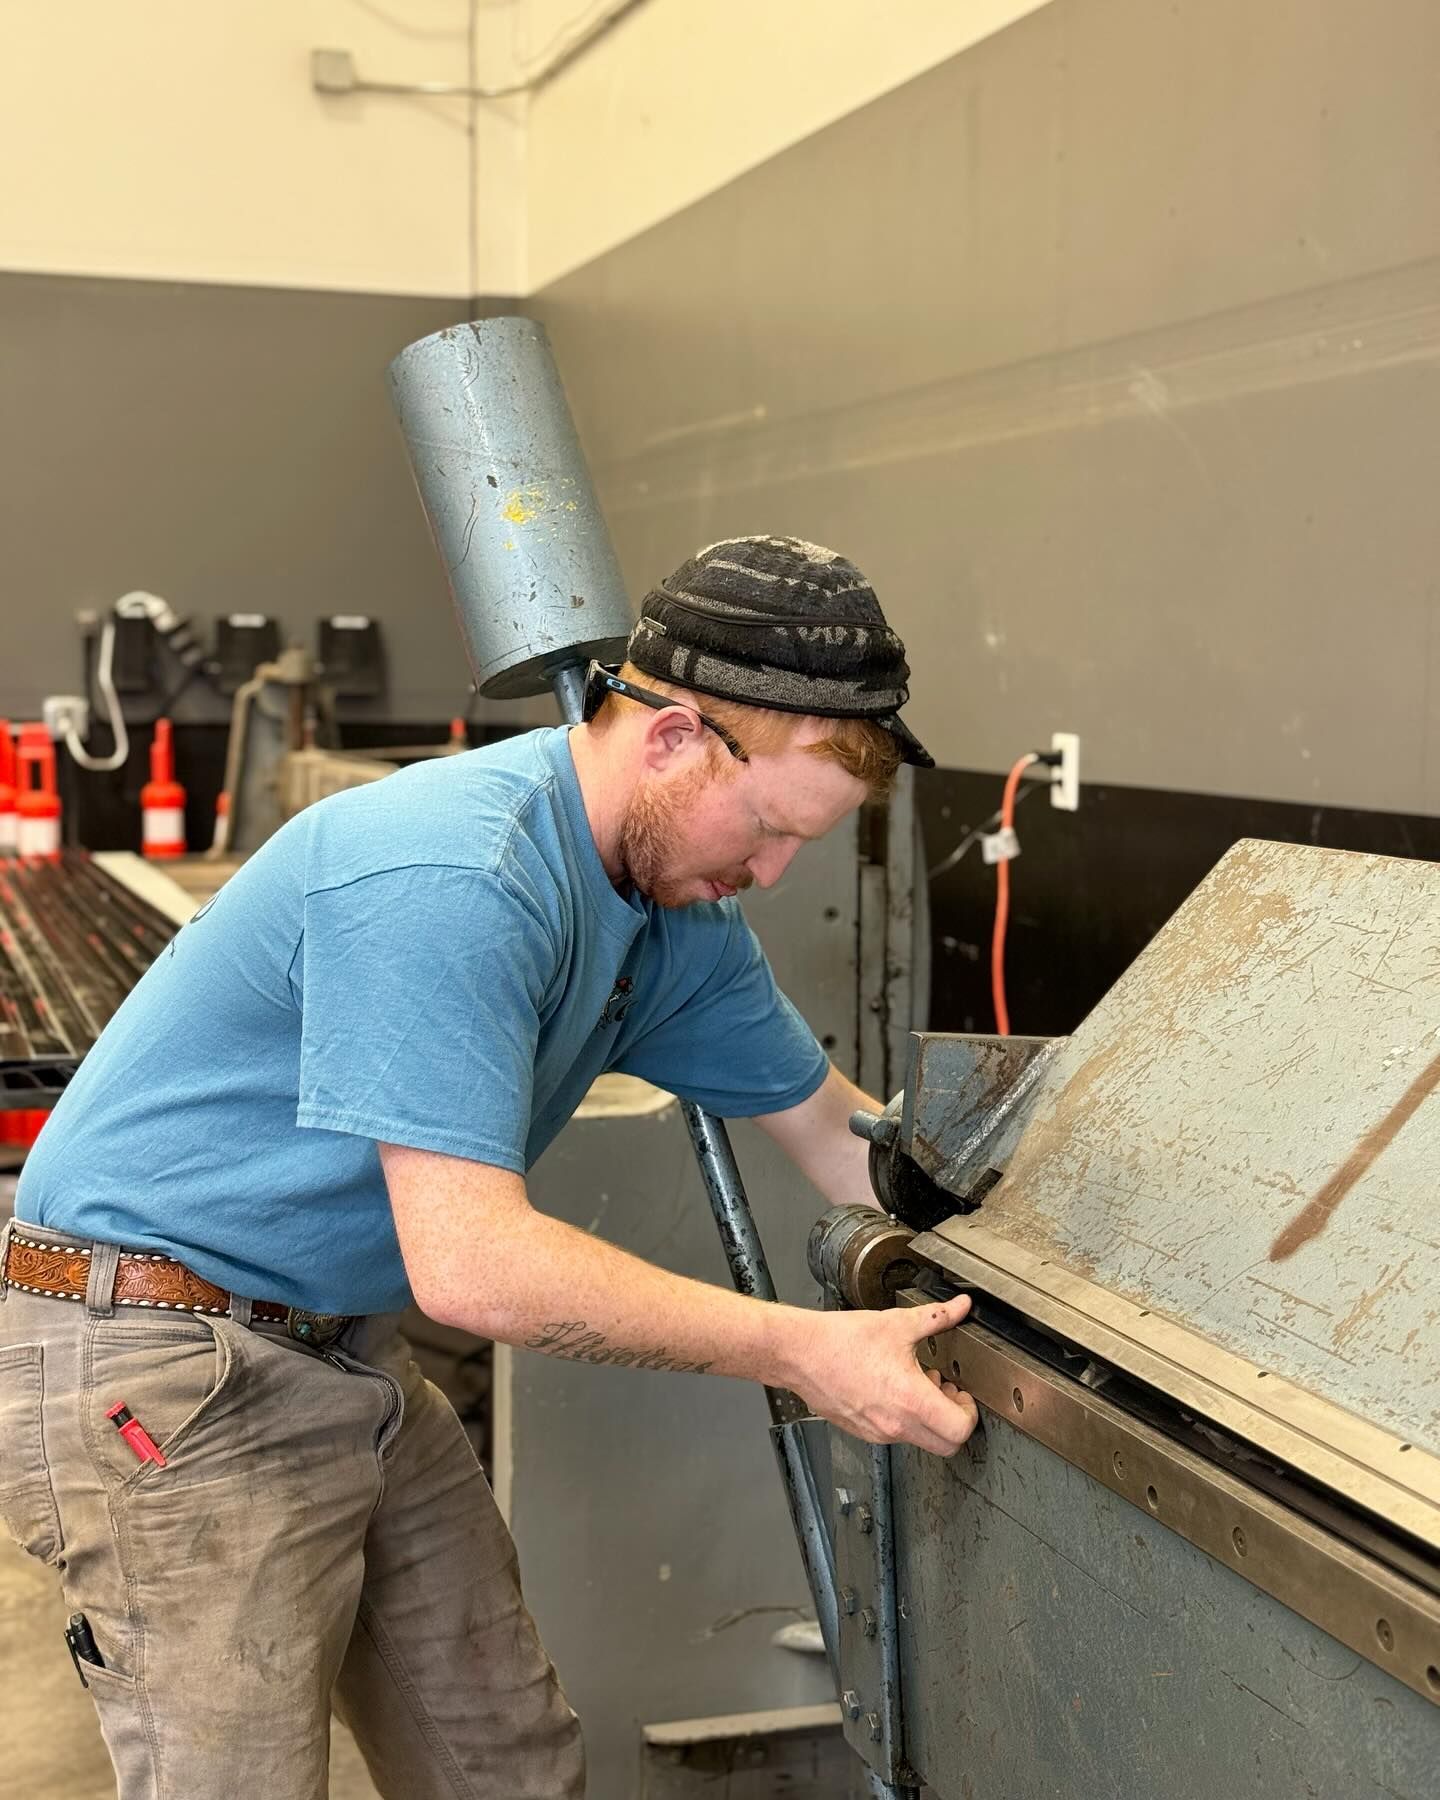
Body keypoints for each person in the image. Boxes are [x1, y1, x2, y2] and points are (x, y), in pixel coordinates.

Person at [0, 534, 978, 1799]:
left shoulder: (677, 919)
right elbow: (472, 1267)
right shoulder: (455, 875)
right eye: (769, 828)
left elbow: (842, 1139)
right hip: (163, 1349)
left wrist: (1002, 1253)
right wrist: (802, 1348)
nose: (770, 873)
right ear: (676, 738)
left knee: (503, 1764)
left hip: (337, 1343)